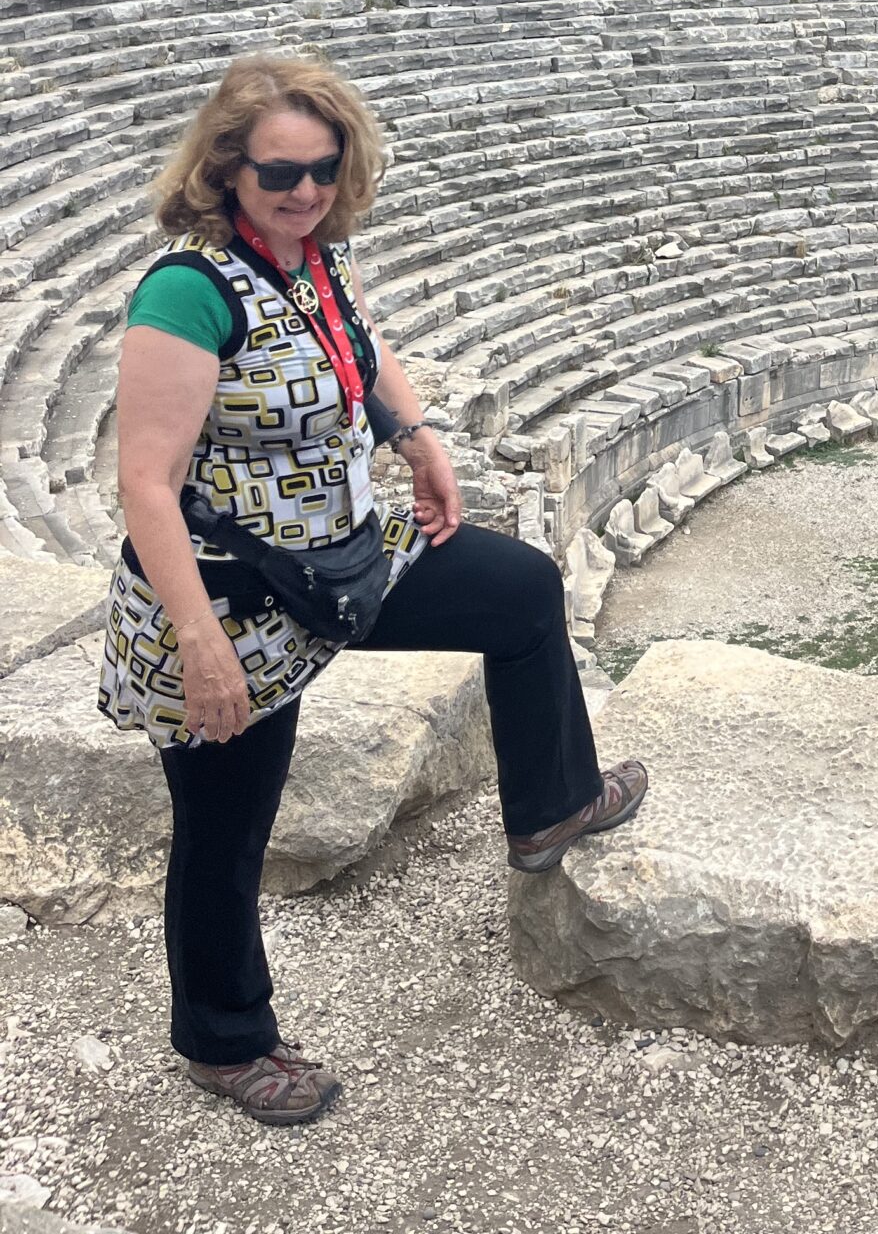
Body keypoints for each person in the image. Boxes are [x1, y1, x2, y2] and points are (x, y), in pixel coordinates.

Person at [100, 56, 647, 1127]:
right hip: (235, 601)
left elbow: (357, 340)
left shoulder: (307, 254)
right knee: (225, 831)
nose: (304, 188)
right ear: (225, 169)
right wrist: (203, 642)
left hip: (346, 560)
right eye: (279, 172)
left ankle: (550, 808)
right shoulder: (187, 289)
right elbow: (144, 483)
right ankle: (224, 1040)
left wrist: (418, 433)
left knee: (522, 591)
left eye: (323, 168)